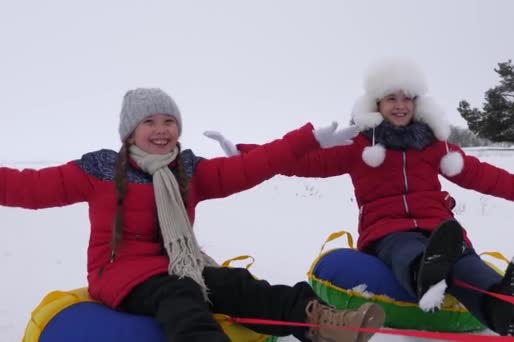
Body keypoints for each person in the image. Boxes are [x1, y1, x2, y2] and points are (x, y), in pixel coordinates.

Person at [205, 58, 514, 337]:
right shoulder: (359, 146)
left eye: (406, 99)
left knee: (466, 262)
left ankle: (504, 309)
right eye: (390, 99)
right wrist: (244, 153)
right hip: (387, 232)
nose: (399, 106)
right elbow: (304, 161)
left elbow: (481, 175)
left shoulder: (434, 145)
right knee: (406, 251)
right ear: (376, 103)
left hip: (441, 228)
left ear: (416, 103)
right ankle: (424, 279)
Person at [0, 88, 386, 342]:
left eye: (168, 121)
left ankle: (324, 322)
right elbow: (29, 187)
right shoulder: (99, 170)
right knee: (181, 293)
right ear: (130, 131)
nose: (160, 129)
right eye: (149, 121)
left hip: (179, 265)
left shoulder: (188, 170)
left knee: (236, 284)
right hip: (119, 273)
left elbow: (249, 168)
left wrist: (305, 142)